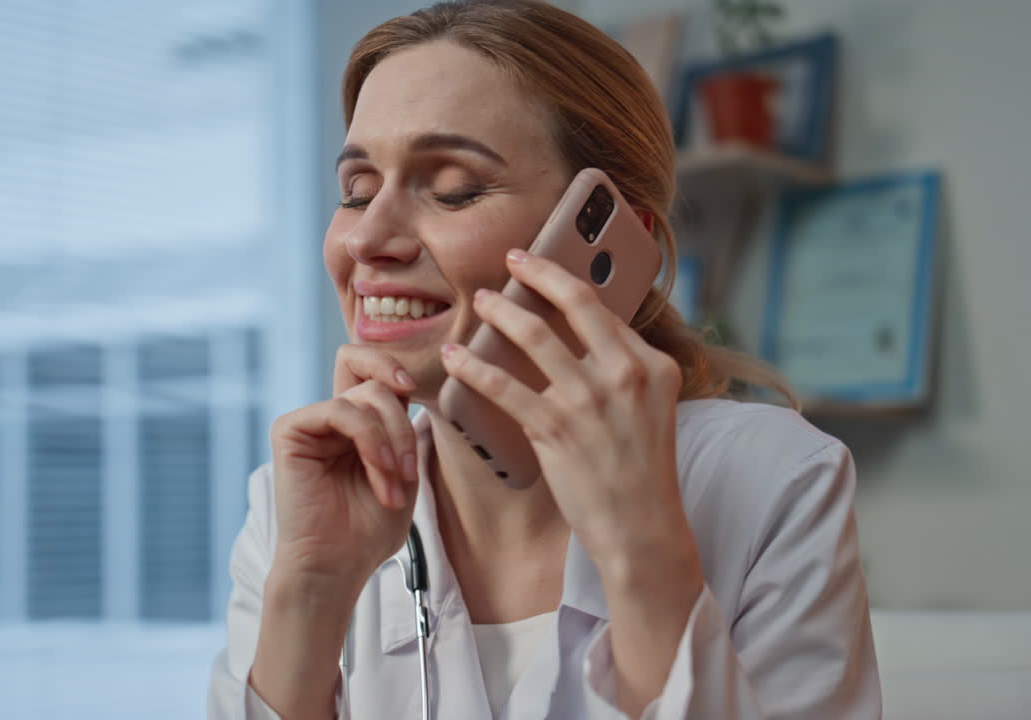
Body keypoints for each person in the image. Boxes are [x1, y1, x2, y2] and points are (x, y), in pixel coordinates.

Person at [207, 1, 881, 718]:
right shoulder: (293, 508)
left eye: (453, 190)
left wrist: (643, 550)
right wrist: (312, 590)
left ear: (610, 239)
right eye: (357, 191)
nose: (368, 238)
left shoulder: (771, 480)